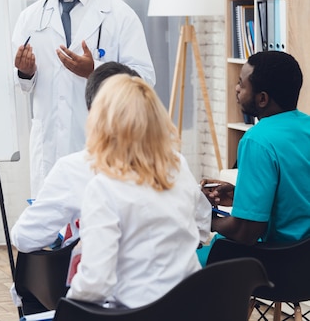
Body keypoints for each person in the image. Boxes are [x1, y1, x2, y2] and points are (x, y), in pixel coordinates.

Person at [12, 0, 155, 196]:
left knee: (99, 224)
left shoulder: (118, 15)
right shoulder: (30, 18)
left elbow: (145, 80)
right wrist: (25, 73)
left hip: (101, 143)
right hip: (50, 147)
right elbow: (20, 86)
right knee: (53, 231)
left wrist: (96, 71)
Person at [66, 74, 210, 308]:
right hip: (193, 306)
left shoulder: (104, 188)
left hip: (139, 312)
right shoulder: (178, 166)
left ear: (102, 124)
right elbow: (202, 228)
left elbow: (96, 283)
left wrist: (66, 308)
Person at [11, 61, 139, 254]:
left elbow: (24, 237)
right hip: (173, 282)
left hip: (108, 280)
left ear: (92, 111)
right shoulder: (175, 163)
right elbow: (202, 223)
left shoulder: (74, 169)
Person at [202, 51, 310, 246]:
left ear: (262, 99)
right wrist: (241, 196)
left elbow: (246, 231)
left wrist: (205, 220)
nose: (236, 89)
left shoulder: (257, 140)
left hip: (276, 260)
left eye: (241, 84)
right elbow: (296, 199)